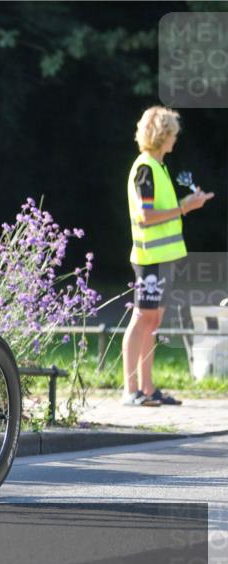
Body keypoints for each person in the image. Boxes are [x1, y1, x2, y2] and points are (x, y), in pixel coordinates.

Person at [121, 106, 214, 406]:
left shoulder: (157, 167)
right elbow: (146, 216)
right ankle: (131, 390)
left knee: (153, 320)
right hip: (150, 258)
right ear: (162, 135)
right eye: (173, 133)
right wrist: (184, 207)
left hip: (162, 259)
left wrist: (186, 203)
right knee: (141, 318)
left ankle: (147, 389)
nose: (175, 138)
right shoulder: (146, 168)